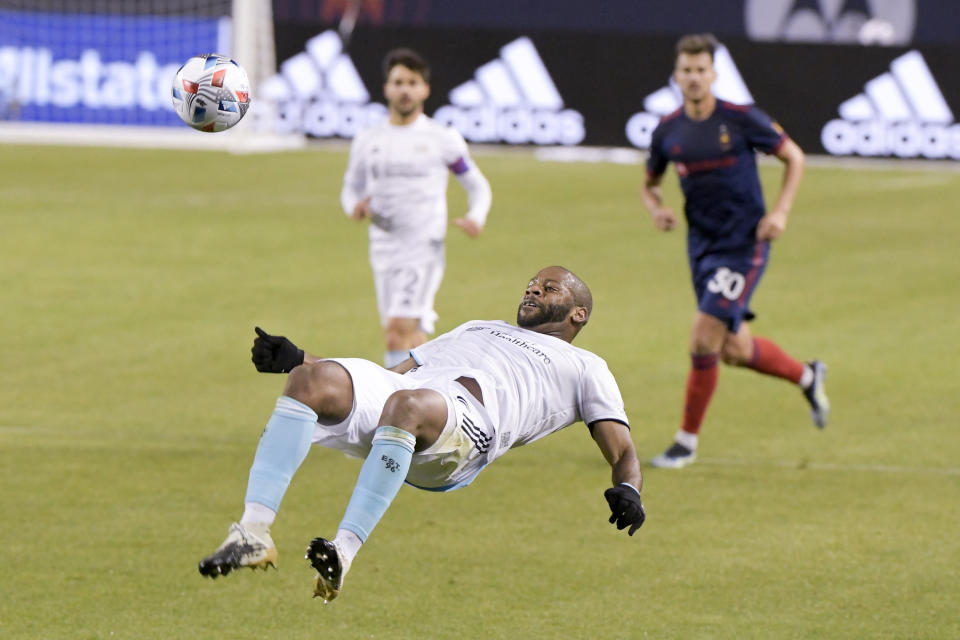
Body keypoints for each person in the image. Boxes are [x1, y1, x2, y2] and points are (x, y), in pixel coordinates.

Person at [198, 266, 645, 602]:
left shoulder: (587, 367)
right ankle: (253, 532)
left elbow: (622, 447)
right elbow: (386, 376)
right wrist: (300, 357)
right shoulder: (476, 326)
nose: (533, 288)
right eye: (532, 283)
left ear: (577, 312)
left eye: (549, 288)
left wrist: (628, 488)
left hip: (467, 433)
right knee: (309, 381)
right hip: (409, 398)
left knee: (407, 405)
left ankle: (344, 551)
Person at [639, 33, 830, 469]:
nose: (693, 77)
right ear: (676, 75)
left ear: (713, 74)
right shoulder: (668, 130)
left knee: (703, 335)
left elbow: (794, 157)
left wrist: (780, 212)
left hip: (744, 244)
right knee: (732, 349)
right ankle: (807, 375)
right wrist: (657, 209)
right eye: (686, 70)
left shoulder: (741, 119)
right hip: (700, 247)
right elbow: (649, 184)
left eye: (701, 70)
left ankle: (685, 442)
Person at [341, 47, 492, 368]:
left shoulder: (442, 138)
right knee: (410, 340)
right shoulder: (368, 140)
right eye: (398, 82)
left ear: (425, 89)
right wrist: (354, 206)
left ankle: (394, 408)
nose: (405, 89)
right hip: (382, 247)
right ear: (386, 88)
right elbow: (350, 187)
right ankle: (435, 399)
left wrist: (476, 217)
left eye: (412, 82)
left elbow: (477, 185)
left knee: (397, 332)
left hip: (422, 247)